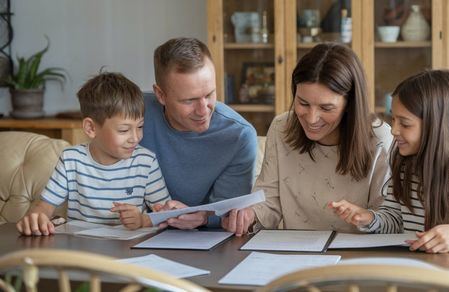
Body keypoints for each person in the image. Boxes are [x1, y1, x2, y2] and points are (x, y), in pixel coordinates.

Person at [329, 70, 449, 253]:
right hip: (422, 266)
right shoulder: (403, 161)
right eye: (393, 119)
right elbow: (396, 220)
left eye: (405, 123)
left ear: (435, 125)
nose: (394, 130)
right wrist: (369, 218)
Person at [222, 43, 392, 236]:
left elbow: (389, 219)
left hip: (356, 257)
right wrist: (249, 214)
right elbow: (269, 201)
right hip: (296, 254)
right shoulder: (281, 128)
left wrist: (365, 217)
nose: (311, 119)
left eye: (326, 108)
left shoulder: (379, 138)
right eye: (303, 103)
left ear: (350, 104)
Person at [16, 72, 171, 236]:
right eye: (124, 130)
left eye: (140, 126)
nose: (136, 137)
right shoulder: (71, 160)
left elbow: (165, 214)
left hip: (129, 251)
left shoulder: (146, 162)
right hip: (83, 250)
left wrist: (142, 220)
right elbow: (45, 205)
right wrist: (37, 217)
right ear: (91, 128)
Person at [141, 37, 257, 229]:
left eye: (210, 94)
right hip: (134, 234)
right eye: (189, 100)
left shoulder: (239, 137)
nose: (204, 111)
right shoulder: (131, 115)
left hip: (203, 243)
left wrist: (204, 217)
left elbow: (227, 214)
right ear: (160, 95)